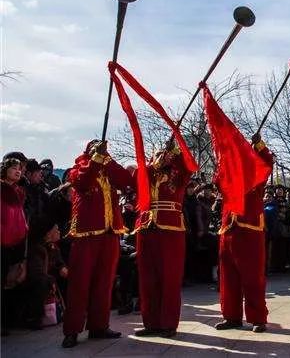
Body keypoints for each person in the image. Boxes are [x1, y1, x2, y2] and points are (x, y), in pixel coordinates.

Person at [61, 140, 134, 348]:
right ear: (88, 152)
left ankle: (99, 325)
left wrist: (108, 161)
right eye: (95, 148)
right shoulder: (78, 169)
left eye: (101, 148)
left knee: (104, 282)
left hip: (110, 233)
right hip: (86, 234)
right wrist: (94, 160)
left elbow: (126, 180)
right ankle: (72, 330)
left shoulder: (108, 169)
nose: (100, 151)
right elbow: (82, 183)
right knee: (80, 283)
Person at [133, 141, 193, 338]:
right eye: (160, 154)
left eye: (165, 155)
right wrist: (155, 163)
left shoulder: (178, 175)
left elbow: (188, 167)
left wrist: (175, 153)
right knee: (148, 278)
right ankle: (151, 323)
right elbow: (137, 176)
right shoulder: (149, 173)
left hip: (171, 229)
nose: (163, 157)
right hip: (146, 227)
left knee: (169, 278)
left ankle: (168, 324)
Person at [215, 134, 273, 333]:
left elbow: (267, 162)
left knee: (252, 277)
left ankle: (258, 318)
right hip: (228, 228)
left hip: (250, 229)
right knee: (228, 277)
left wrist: (258, 146)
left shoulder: (257, 176)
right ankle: (231, 316)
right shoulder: (229, 174)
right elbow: (217, 179)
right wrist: (230, 156)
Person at [1, 157, 29, 335]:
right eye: (13, 168)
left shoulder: (18, 191)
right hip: (2, 241)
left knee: (12, 281)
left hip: (16, 241)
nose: (17, 171)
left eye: (19, 168)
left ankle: (9, 320)